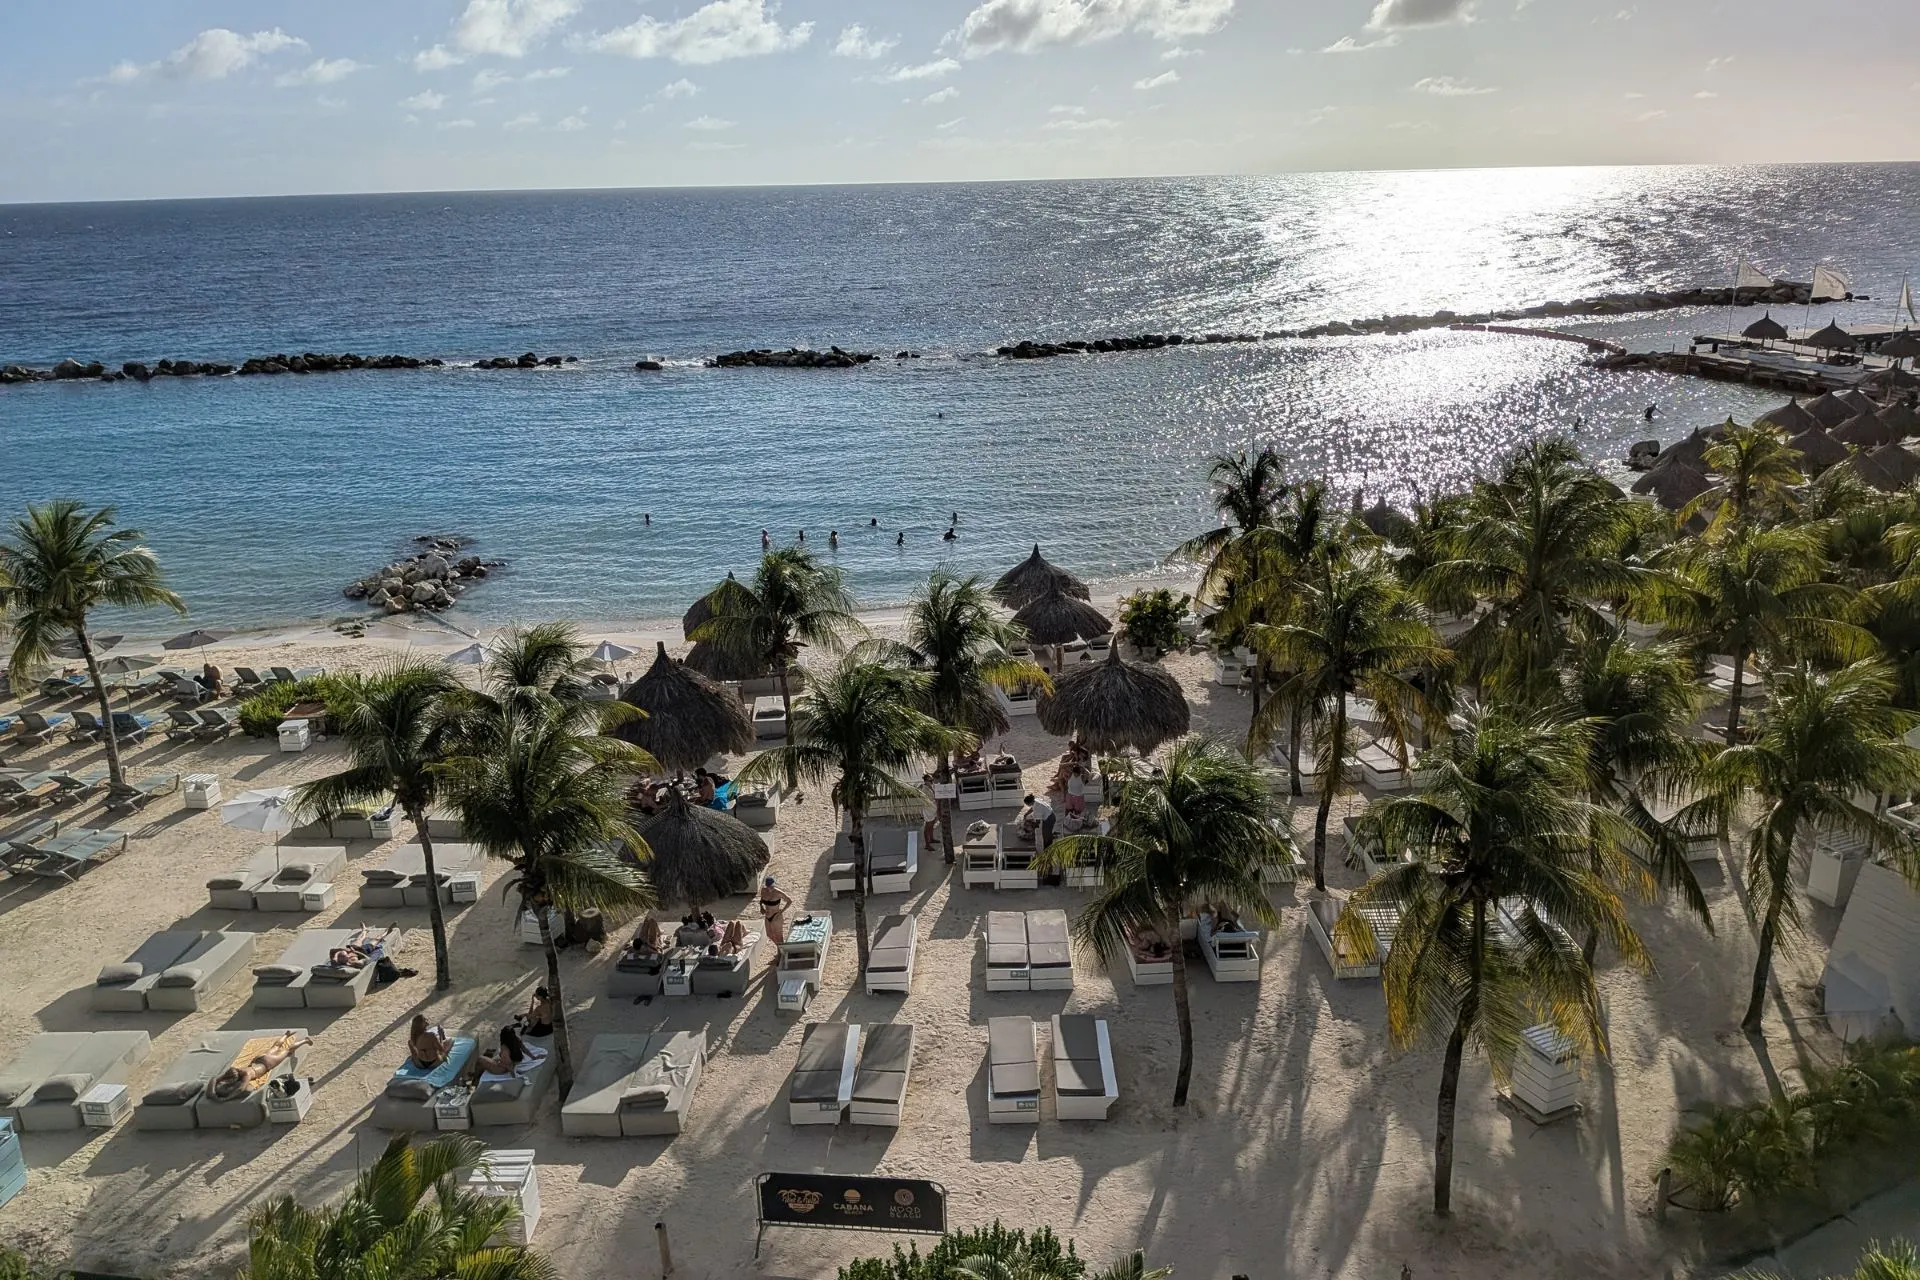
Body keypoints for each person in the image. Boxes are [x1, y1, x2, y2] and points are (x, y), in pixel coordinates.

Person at [208, 1032, 312, 1101]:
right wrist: (213, 1092)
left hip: (266, 1064)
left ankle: (305, 1041)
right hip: (258, 1060)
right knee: (276, 1047)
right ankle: (285, 1035)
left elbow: (240, 1089)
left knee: (287, 1050)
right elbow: (214, 1079)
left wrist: (225, 1098)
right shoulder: (239, 1070)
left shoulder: (246, 1074)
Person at [474, 1025, 544, 1081]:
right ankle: (478, 1074)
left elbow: (508, 1065)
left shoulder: (505, 1048)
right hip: (514, 1061)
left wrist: (514, 1076)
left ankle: (475, 1078)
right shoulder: (516, 1039)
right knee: (487, 1060)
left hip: (501, 1069)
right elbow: (524, 1049)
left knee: (479, 1059)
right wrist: (533, 1057)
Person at [757, 876, 792, 945]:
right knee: (769, 934)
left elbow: (789, 901)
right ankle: (780, 947)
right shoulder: (763, 890)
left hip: (776, 915)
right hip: (767, 915)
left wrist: (782, 911)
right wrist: (761, 907)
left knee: (779, 936)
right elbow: (761, 900)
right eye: (769, 886)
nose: (770, 888)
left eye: (772, 886)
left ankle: (780, 952)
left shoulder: (778, 892)